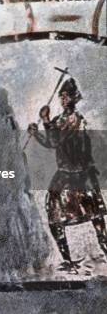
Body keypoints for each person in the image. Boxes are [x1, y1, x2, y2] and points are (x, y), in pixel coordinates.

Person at [28, 78, 107, 272]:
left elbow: (55, 140)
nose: (63, 99)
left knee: (95, 214)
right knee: (54, 215)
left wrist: (45, 121)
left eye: (67, 96)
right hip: (64, 174)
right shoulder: (59, 120)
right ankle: (67, 259)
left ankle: (105, 248)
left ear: (74, 98)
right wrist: (36, 133)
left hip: (80, 175)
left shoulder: (74, 119)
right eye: (61, 96)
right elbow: (50, 142)